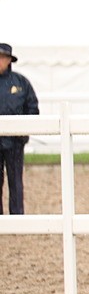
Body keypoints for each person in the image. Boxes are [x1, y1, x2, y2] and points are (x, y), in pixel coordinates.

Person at [0, 43, 39, 215]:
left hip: (15, 142)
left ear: (9, 60)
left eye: (3, 57)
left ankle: (17, 216)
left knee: (15, 180)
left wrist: (23, 131)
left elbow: (32, 107)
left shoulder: (21, 82)